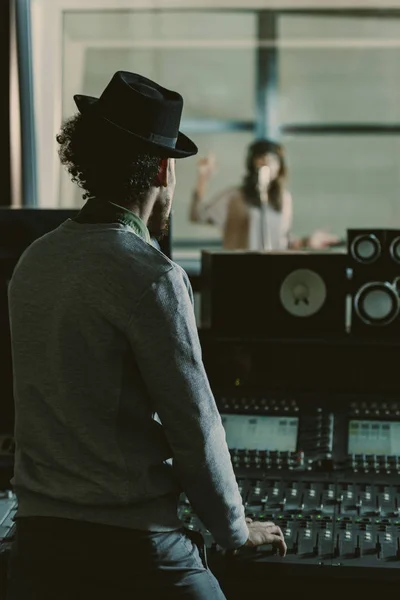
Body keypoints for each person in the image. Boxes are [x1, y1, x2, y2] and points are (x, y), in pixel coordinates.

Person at [6, 72, 286, 600]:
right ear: (162, 168)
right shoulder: (151, 275)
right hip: (133, 546)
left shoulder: (33, 262)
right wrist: (235, 530)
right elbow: (194, 427)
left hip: (38, 547)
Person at [190, 138, 339, 251]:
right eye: (261, 158)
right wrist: (203, 178)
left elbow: (283, 242)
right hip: (237, 269)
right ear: (252, 163)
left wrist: (307, 242)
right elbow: (198, 215)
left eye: (272, 159)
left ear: (280, 166)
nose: (266, 163)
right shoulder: (235, 196)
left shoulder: (283, 198)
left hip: (272, 270)